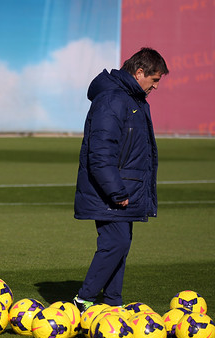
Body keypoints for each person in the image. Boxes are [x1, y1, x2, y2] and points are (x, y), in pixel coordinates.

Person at [73, 48, 169, 312]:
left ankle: (113, 304)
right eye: (155, 80)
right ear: (139, 73)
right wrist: (115, 190)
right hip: (110, 190)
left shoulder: (132, 99)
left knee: (120, 245)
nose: (156, 87)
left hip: (124, 186)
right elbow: (100, 152)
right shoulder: (114, 99)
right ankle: (84, 300)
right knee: (115, 243)